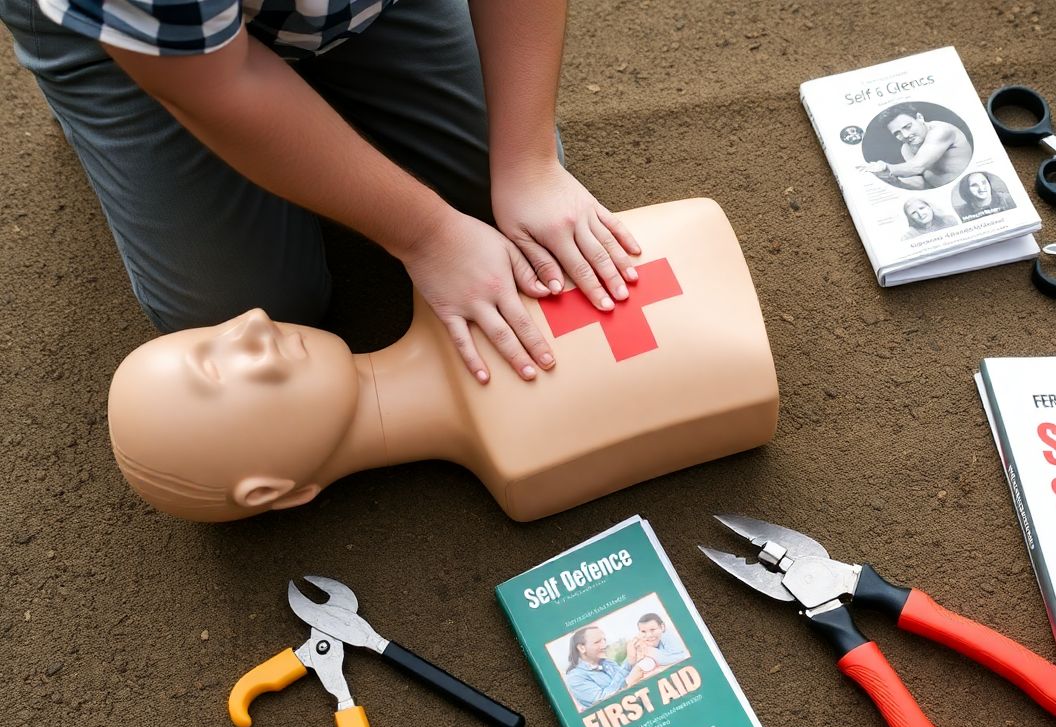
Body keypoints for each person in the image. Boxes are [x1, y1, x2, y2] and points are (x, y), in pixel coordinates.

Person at [0, 0, 638, 385]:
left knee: (509, 190)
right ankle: (87, 71)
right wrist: (428, 235)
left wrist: (526, 163)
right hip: (153, 41)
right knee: (251, 316)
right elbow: (225, 83)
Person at [104, 199, 782, 523]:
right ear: (273, 491)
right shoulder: (522, 457)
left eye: (213, 334)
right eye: (217, 372)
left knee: (478, 168)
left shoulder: (443, 276)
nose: (250, 325)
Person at [857, 104, 972, 189]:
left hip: (969, 185)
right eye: (897, 133)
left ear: (920, 118)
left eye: (907, 126)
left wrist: (885, 168)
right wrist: (895, 181)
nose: (905, 135)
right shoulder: (906, 148)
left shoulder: (941, 131)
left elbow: (917, 166)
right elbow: (920, 180)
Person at [563, 626, 647, 710]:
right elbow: (603, 702)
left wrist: (631, 660)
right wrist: (628, 681)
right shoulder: (575, 677)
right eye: (597, 642)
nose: (604, 645)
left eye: (604, 640)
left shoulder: (607, 662)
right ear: (582, 648)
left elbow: (627, 676)